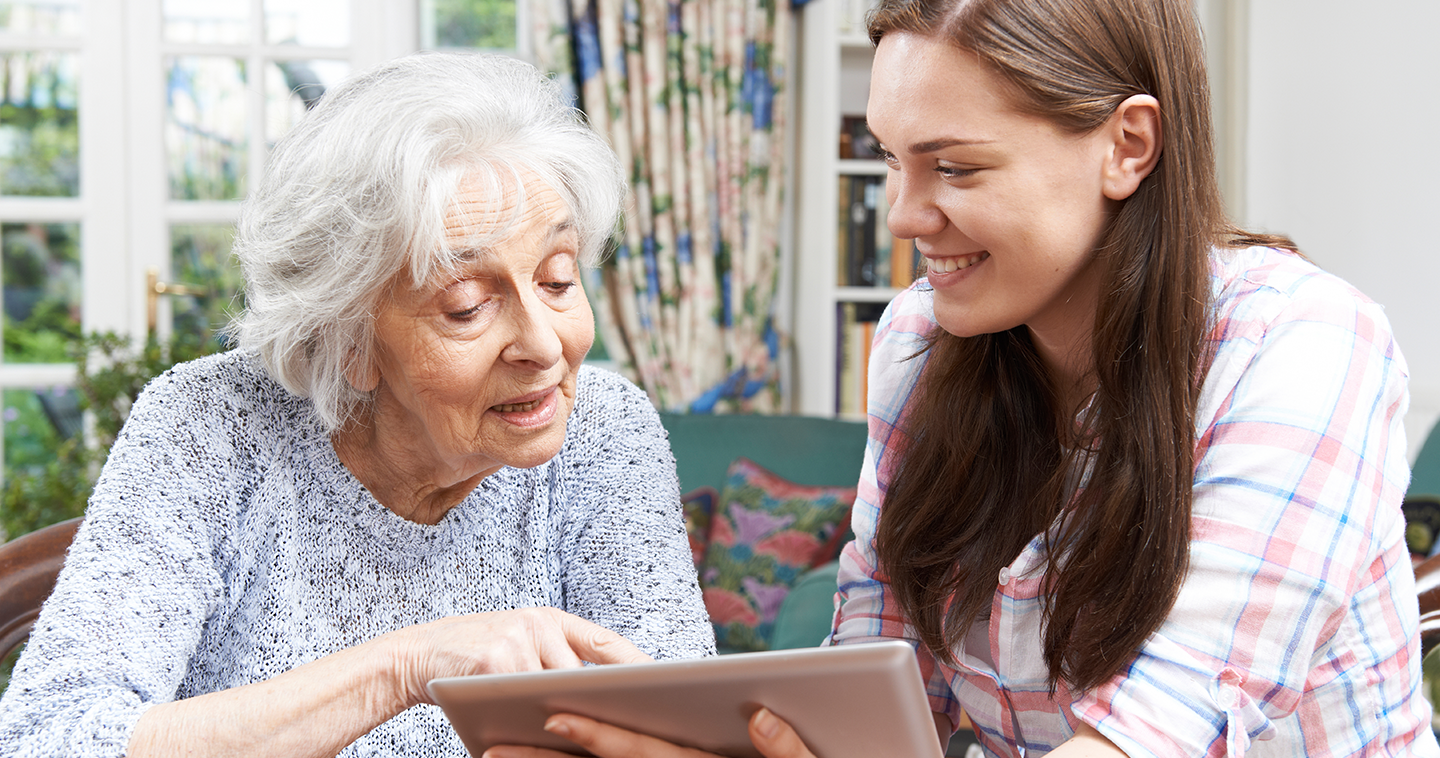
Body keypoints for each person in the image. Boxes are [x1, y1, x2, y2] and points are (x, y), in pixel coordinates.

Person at [484, 0, 1440, 756]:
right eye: (893, 162)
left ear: (1128, 145)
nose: (902, 215)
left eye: (955, 168)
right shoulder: (918, 345)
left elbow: (1164, 727)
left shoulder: (1303, 344)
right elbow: (869, 686)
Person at [0, 52, 714, 758]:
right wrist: (407, 667)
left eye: (558, 280)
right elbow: (47, 738)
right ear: (348, 343)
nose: (543, 344)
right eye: (465, 306)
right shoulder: (208, 427)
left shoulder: (605, 428)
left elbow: (686, 716)